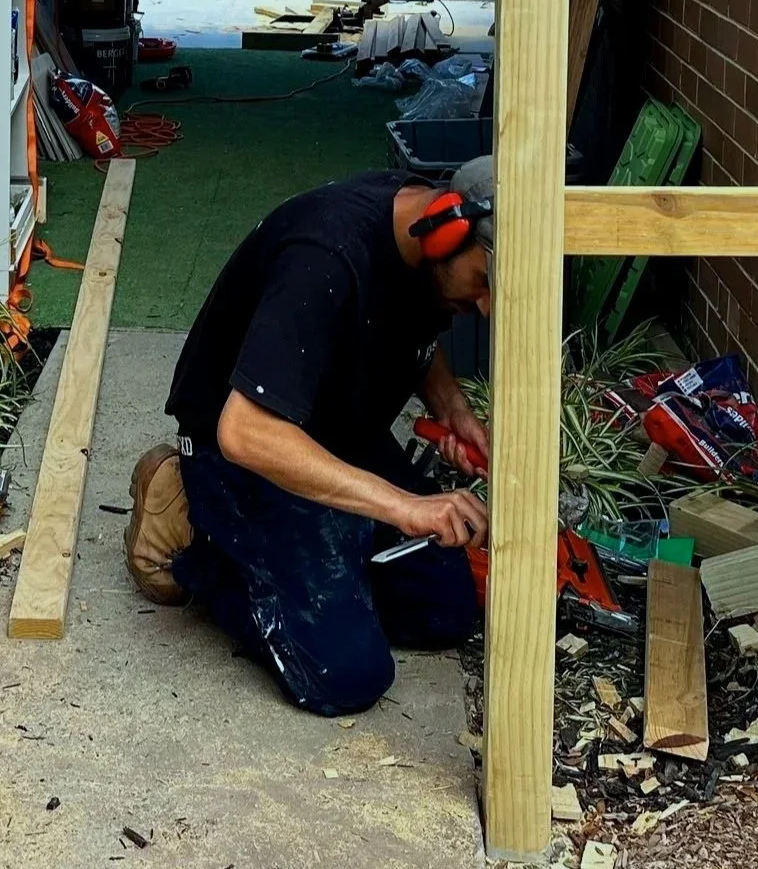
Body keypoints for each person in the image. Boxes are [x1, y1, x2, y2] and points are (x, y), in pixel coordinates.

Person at [121, 158, 497, 715]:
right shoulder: (326, 257)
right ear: (444, 228)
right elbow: (245, 432)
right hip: (249, 449)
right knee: (341, 675)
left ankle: (323, 560)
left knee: (443, 612)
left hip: (335, 430)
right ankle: (189, 522)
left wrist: (452, 407)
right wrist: (402, 506)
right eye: (484, 284)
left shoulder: (423, 249)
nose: (487, 308)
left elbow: (419, 331)